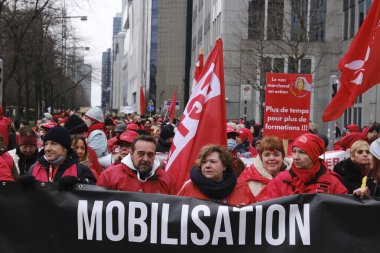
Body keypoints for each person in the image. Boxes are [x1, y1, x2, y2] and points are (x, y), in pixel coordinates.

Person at [257, 133, 347, 202]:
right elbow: (263, 209)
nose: (295, 157)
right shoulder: (281, 180)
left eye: (302, 152)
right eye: (294, 151)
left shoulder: (333, 183)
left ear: (314, 155)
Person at [19, 126, 96, 190]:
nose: (48, 148)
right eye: (46, 144)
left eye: (53, 144)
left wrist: (78, 184)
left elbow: (94, 197)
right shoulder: (34, 168)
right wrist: (20, 185)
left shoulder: (81, 170)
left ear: (65, 149)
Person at [177, 145, 255, 206]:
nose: (207, 165)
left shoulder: (242, 187)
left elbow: (256, 215)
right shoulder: (189, 187)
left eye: (213, 162)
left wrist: (246, 212)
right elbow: (175, 212)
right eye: (204, 162)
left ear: (224, 166)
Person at [97, 135, 175, 194]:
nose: (146, 159)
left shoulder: (166, 179)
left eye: (150, 154)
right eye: (141, 154)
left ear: (155, 155)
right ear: (132, 153)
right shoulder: (109, 175)